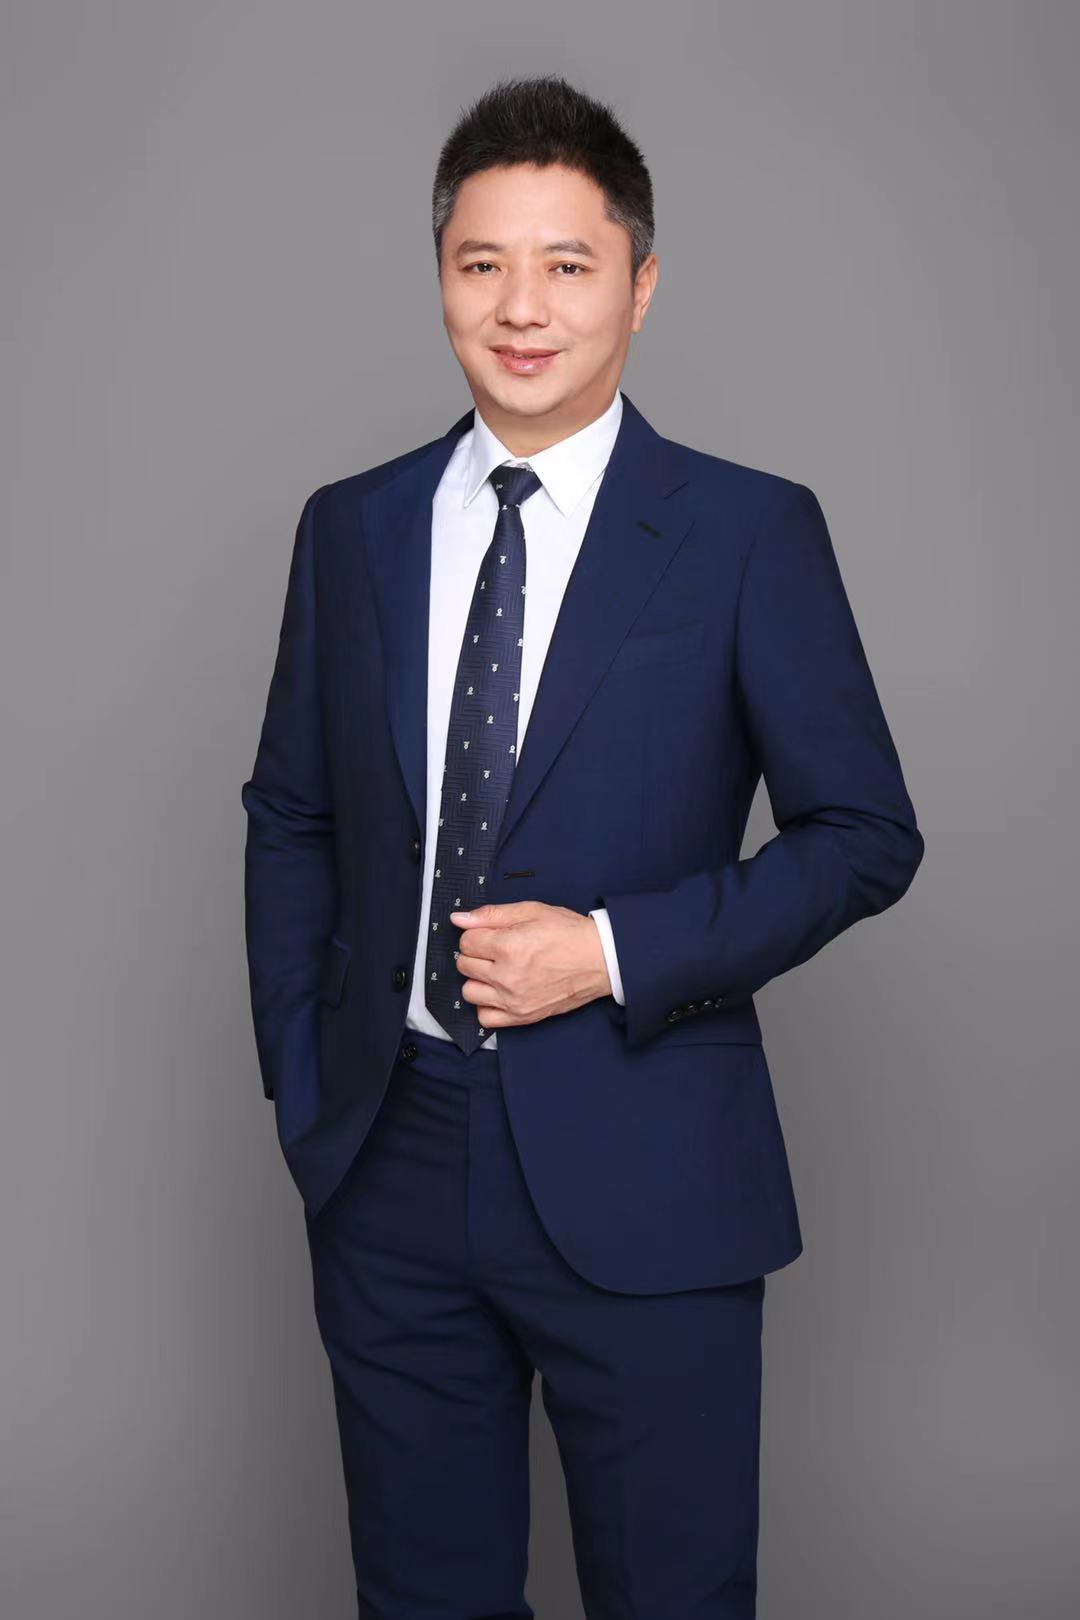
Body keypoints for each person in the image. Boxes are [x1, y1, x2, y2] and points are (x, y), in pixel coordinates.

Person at [241, 72, 924, 1620]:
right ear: (440, 279)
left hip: (650, 1154)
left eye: (567, 263)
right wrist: (305, 1072)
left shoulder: (747, 532)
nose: (522, 306)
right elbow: (292, 811)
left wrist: (613, 952)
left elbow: (865, 834)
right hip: (390, 1161)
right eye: (482, 263)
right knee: (423, 1599)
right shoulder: (351, 529)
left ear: (641, 284)